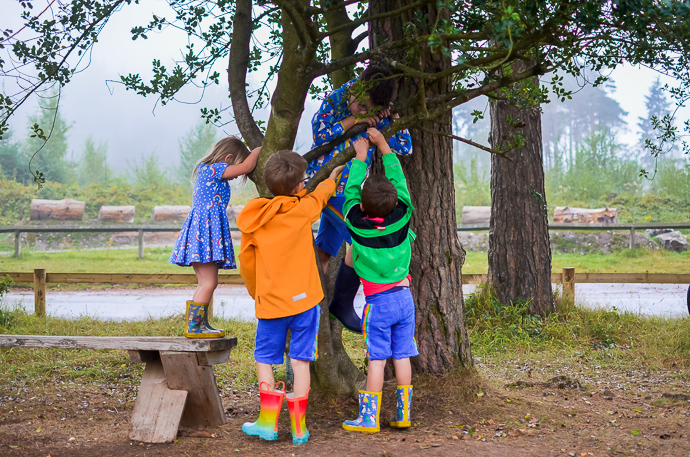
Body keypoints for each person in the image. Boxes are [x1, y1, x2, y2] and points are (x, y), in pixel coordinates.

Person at [237, 150, 345, 445]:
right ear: (300, 186)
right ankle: (299, 429)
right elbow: (320, 197)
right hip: (306, 302)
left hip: (271, 303)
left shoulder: (255, 220)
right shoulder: (302, 209)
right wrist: (332, 180)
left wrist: (256, 292)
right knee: (300, 362)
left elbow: (246, 264)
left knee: (265, 359)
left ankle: (267, 422)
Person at [307, 64, 413, 333]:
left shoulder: (377, 111)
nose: (366, 112)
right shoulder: (336, 100)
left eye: (372, 109)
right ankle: (341, 304)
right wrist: (356, 121)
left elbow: (405, 146)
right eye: (362, 105)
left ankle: (314, 307)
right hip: (328, 187)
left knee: (324, 251)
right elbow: (320, 134)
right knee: (361, 237)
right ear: (356, 88)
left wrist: (391, 117)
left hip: (347, 190)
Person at [341, 130, 418, 434]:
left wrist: (360, 157)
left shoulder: (356, 225)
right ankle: (403, 414)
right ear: (396, 201)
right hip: (404, 299)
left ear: (361, 205)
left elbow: (349, 194)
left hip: (379, 304)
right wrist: (385, 147)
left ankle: (369, 419)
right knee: (402, 355)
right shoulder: (403, 216)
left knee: (376, 360)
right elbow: (400, 184)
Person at [169, 136, 260, 338]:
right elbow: (246, 166)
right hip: (205, 235)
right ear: (228, 158)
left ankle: (201, 324)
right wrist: (258, 150)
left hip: (202, 234)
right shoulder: (214, 169)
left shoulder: (207, 170)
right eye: (234, 167)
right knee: (209, 284)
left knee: (207, 283)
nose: (236, 176)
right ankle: (194, 326)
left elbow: (241, 168)